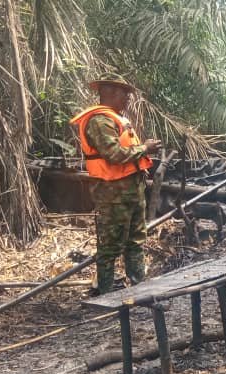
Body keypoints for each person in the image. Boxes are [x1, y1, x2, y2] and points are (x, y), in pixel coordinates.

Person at [69, 73, 162, 294]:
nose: (128, 99)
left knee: (135, 240)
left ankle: (139, 289)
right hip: (112, 194)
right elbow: (114, 154)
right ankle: (106, 295)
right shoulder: (100, 121)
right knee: (110, 246)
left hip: (131, 191)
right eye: (124, 94)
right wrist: (145, 148)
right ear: (109, 93)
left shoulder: (116, 119)